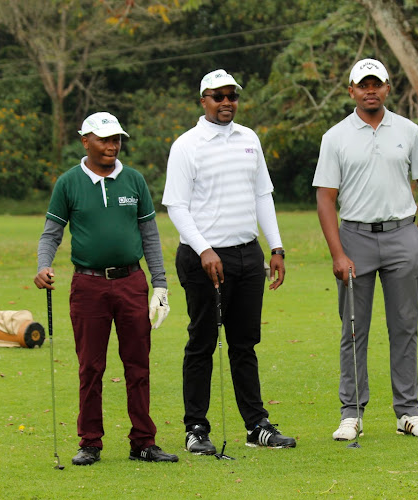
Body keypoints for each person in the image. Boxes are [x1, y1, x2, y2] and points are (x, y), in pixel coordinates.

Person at [163, 69, 296, 454]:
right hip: (202, 257)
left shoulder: (249, 138)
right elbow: (177, 206)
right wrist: (204, 249)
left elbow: (262, 197)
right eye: (217, 96)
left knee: (244, 344)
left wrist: (276, 247)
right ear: (202, 100)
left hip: (247, 255)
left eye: (231, 96)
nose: (226, 102)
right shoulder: (187, 145)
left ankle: (256, 426)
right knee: (202, 342)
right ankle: (196, 429)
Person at [33, 112, 178, 465]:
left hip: (131, 282)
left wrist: (160, 284)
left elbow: (150, 236)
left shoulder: (134, 181)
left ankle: (143, 441)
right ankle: (90, 442)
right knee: (91, 367)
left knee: (138, 365)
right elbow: (51, 234)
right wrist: (44, 265)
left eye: (117, 139)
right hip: (88, 284)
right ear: (86, 141)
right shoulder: (68, 183)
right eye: (104, 139)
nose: (113, 145)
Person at [313, 58, 418, 441]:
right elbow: (325, 199)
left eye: (377, 84)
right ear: (350, 90)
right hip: (354, 238)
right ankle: (351, 413)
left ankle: (408, 412)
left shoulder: (408, 130)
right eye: (363, 85)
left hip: (403, 235)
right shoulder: (335, 137)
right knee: (353, 329)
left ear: (387, 88)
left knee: (404, 326)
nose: (371, 90)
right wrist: (337, 252)